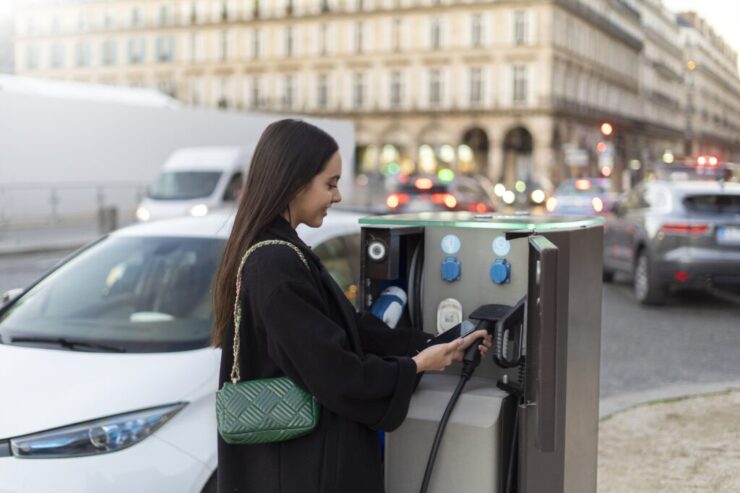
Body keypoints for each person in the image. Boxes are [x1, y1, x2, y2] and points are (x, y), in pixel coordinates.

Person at [212, 119, 491, 493]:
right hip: (300, 471)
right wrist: (416, 366)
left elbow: (350, 328)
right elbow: (335, 372)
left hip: (296, 465)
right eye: (330, 183)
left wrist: (436, 344)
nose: (338, 196)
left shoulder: (282, 251)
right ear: (295, 183)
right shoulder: (274, 263)